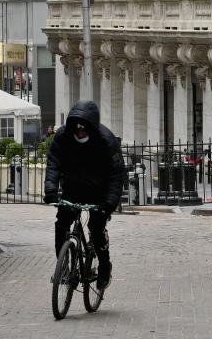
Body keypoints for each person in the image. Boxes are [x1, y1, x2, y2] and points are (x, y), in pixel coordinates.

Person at [43, 100, 124, 290]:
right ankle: (63, 267)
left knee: (96, 229)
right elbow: (54, 163)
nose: (80, 134)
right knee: (62, 223)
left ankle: (104, 267)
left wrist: (110, 203)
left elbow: (116, 174)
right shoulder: (63, 136)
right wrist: (50, 190)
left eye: (84, 131)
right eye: (77, 131)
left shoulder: (106, 140)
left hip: (99, 193)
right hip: (72, 189)